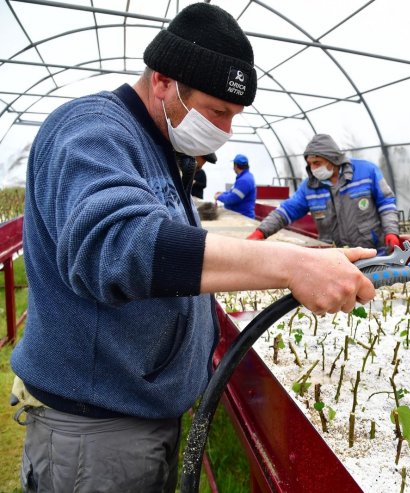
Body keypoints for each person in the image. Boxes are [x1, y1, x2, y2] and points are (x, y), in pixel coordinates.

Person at [9, 4, 375, 492]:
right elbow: (115, 244)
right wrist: (293, 265)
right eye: (217, 111)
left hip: (139, 418)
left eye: (235, 116)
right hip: (96, 433)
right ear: (163, 81)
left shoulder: (161, 150)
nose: (224, 130)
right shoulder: (92, 129)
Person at [247, 134, 402, 252]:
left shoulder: (367, 171)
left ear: (333, 159)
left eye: (317, 163)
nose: (314, 169)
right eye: (310, 164)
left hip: (373, 252)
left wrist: (391, 232)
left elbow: (386, 204)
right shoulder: (309, 187)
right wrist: (261, 232)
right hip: (336, 255)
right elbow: (286, 211)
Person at [214, 153, 256, 218]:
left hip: (243, 217)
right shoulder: (245, 177)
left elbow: (233, 198)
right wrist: (223, 193)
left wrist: (219, 197)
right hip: (240, 215)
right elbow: (233, 192)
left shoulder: (244, 180)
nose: (233, 168)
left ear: (236, 166)